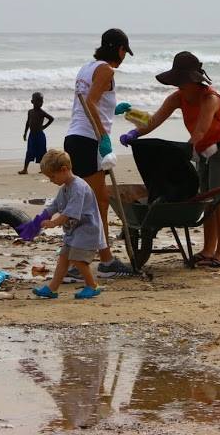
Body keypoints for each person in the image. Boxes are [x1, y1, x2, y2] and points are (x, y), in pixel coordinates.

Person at [120, 52, 220, 268]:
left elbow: (201, 129)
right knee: (206, 198)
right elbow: (154, 119)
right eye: (177, 83)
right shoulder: (177, 98)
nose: (180, 87)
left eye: (183, 82)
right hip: (203, 150)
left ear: (195, 81)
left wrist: (186, 150)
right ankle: (207, 250)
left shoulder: (210, 98)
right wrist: (135, 134)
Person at [63, 28, 134, 279]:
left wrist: (113, 111)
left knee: (85, 203)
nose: (124, 56)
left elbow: (88, 104)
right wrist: (104, 138)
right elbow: (91, 102)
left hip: (74, 137)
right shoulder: (106, 70)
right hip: (89, 140)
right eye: (125, 51)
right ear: (120, 49)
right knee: (97, 203)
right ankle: (101, 262)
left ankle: (81, 263)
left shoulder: (87, 68)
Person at [32, 150, 105, 299]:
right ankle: (52, 289)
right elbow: (54, 206)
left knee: (77, 259)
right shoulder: (65, 188)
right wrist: (40, 219)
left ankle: (92, 286)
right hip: (75, 230)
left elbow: (70, 213)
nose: (51, 180)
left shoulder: (78, 187)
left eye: (52, 176)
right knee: (64, 258)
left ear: (64, 170)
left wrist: (53, 223)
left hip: (87, 229)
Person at [18, 92, 54, 175]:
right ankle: (25, 169)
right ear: (32, 101)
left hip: (40, 136)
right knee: (29, 151)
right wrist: (25, 133)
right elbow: (28, 122)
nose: (40, 103)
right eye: (38, 101)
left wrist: (44, 126)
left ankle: (43, 169)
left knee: (42, 153)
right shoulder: (30, 112)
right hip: (32, 136)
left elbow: (51, 119)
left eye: (41, 101)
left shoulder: (42, 112)